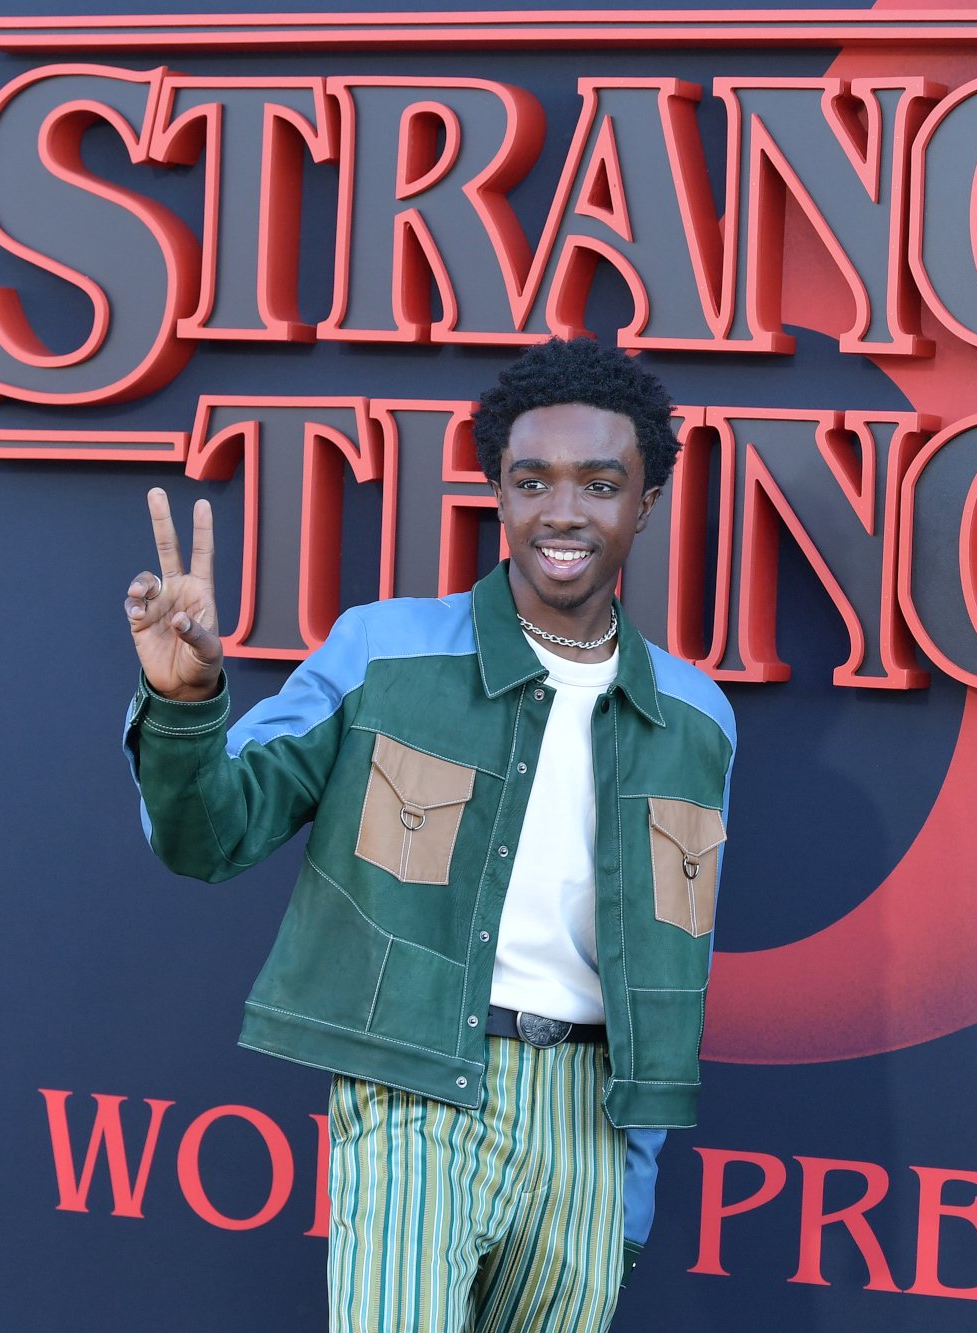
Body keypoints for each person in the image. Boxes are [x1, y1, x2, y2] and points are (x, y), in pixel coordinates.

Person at [120, 337, 735, 1333]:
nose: (563, 512)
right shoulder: (381, 648)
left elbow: (672, 965)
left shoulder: (696, 717)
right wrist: (183, 703)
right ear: (496, 490)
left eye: (600, 482)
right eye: (531, 480)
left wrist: (632, 1175)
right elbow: (210, 836)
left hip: (588, 1118)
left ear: (645, 502)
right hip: (414, 1085)